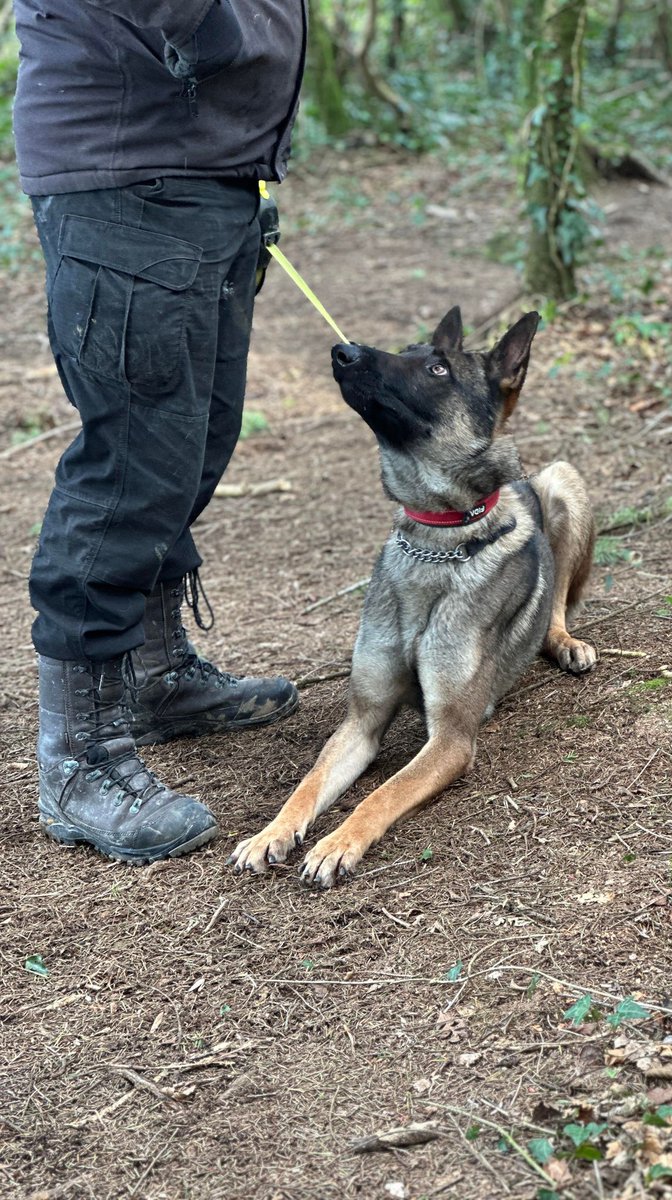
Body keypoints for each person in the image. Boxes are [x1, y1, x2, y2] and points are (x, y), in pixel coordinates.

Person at [12, 1, 308, 863]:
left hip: (200, 165)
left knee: (192, 444)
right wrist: (214, 33)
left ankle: (151, 671)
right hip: (129, 168)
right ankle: (81, 760)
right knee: (133, 462)